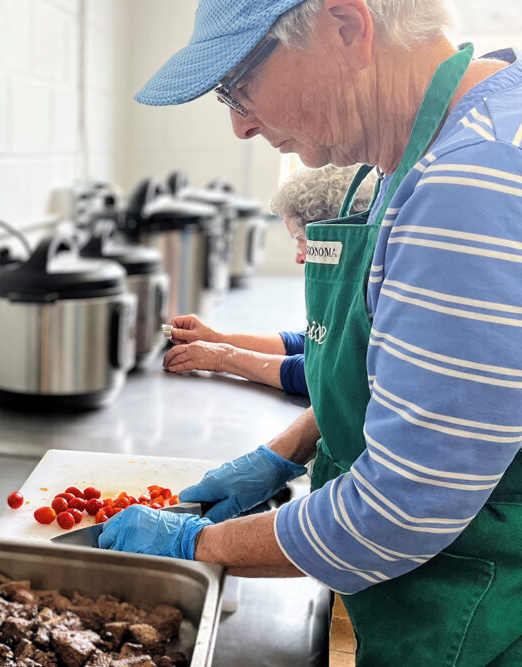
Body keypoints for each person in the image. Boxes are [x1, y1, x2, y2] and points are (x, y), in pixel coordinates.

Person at [97, 1, 522, 665]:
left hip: (489, 616)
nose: (239, 124)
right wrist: (287, 447)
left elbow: (397, 511)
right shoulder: (429, 154)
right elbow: (406, 370)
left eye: (239, 85)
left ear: (346, 27)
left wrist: (197, 547)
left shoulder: (470, 182)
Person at [163, 165, 375, 397]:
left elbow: (325, 373)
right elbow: (313, 343)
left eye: (300, 240)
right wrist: (217, 338)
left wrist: (224, 358)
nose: (299, 256)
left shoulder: (371, 286)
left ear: (333, 234)